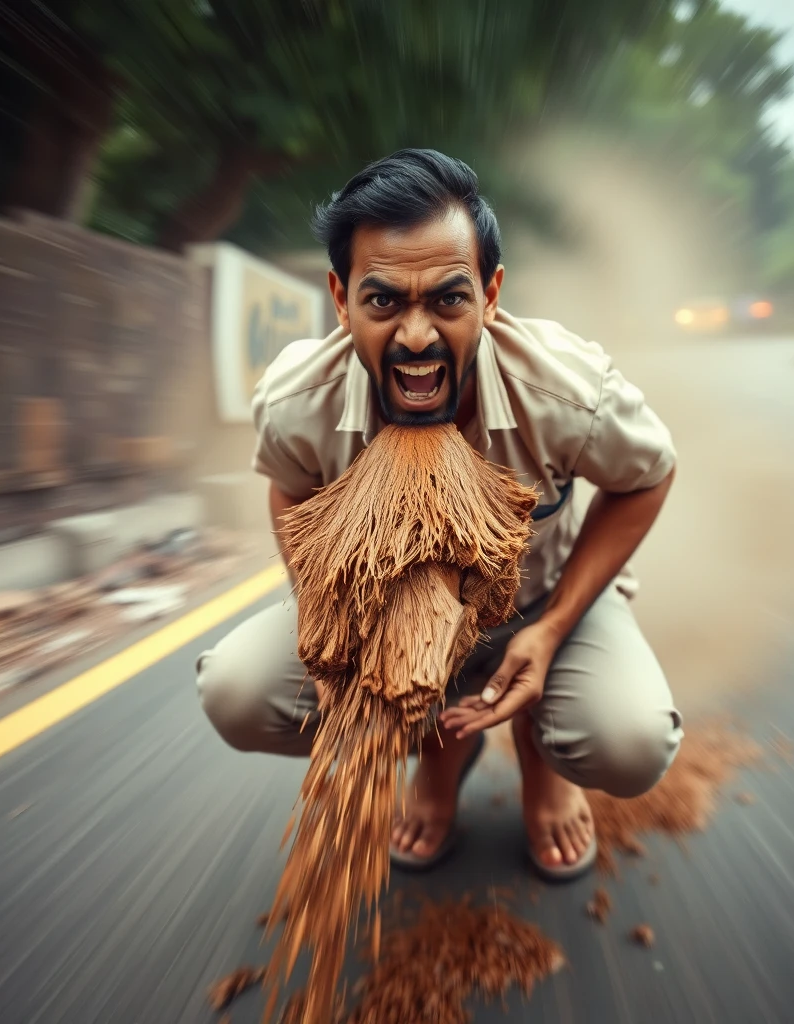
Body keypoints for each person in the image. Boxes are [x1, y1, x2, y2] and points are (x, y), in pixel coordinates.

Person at [196, 148, 683, 880]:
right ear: (340, 296)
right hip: (387, 616)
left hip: (544, 606)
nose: (417, 337)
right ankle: (439, 757)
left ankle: (540, 754)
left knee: (629, 742)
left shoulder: (564, 390)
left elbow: (647, 477)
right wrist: (333, 626)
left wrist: (549, 633)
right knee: (236, 691)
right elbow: (289, 489)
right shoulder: (300, 399)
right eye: (384, 300)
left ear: (490, 295)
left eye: (448, 300)